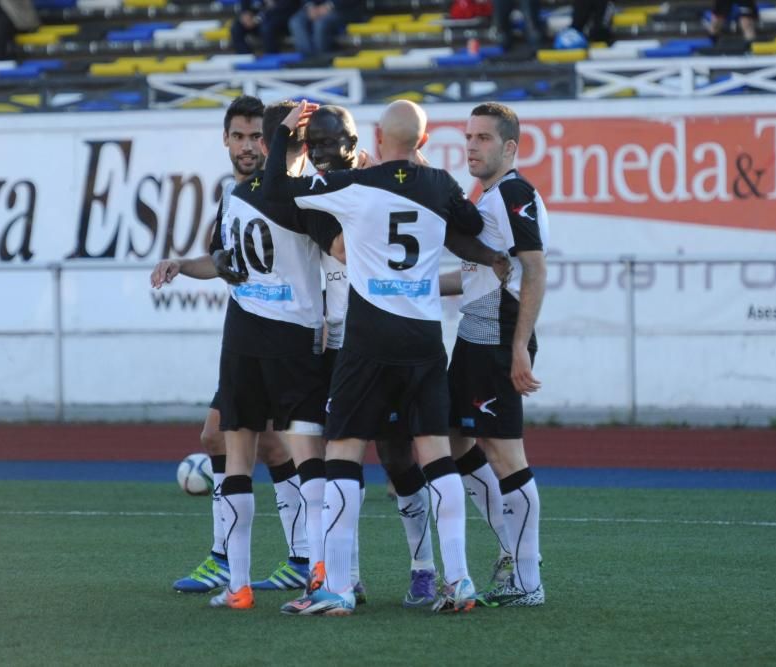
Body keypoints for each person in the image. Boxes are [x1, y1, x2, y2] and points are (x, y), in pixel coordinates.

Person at [263, 99, 485, 615]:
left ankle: (339, 586)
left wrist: (284, 138)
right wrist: (430, 179)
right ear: (424, 143)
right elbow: (470, 223)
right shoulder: (440, 185)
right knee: (436, 455)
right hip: (424, 341)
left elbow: (279, 190)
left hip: (367, 343)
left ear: (377, 138)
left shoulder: (354, 187)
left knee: (342, 452)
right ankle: (460, 579)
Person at [152, 96, 311, 598]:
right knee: (235, 438)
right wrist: (182, 263)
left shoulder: (289, 193)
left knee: (265, 442)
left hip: (287, 338)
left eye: (256, 137)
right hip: (246, 335)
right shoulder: (235, 194)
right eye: (238, 137)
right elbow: (227, 263)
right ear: (225, 139)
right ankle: (287, 558)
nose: (247, 147)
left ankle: (279, 559)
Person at [200, 100, 334, 611]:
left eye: (261, 137)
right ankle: (318, 575)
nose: (251, 146)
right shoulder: (303, 195)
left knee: (238, 456)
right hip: (293, 340)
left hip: (242, 339)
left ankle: (238, 585)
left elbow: (224, 258)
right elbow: (340, 253)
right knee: (308, 457)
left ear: (269, 140)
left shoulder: (236, 194)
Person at [448, 102, 549, 607]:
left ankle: (527, 579)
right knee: (454, 443)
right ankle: (512, 554)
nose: (471, 145)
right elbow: (479, 275)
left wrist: (518, 349)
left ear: (509, 147)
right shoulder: (487, 196)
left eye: (483, 138)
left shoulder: (512, 192)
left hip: (494, 343)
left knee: (506, 455)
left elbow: (534, 268)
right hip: (472, 338)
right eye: (468, 136)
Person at [288, 0, 363, 58]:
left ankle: (322, 60)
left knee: (320, 23)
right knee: (296, 21)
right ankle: (308, 59)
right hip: (315, 8)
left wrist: (328, 6)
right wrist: (310, 7)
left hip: (343, 9)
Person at [231, 0, 299, 55]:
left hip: (282, 17)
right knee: (237, 28)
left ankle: (271, 59)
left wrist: (259, 18)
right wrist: (245, 13)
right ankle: (246, 58)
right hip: (258, 17)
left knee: (267, 28)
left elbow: (287, 5)